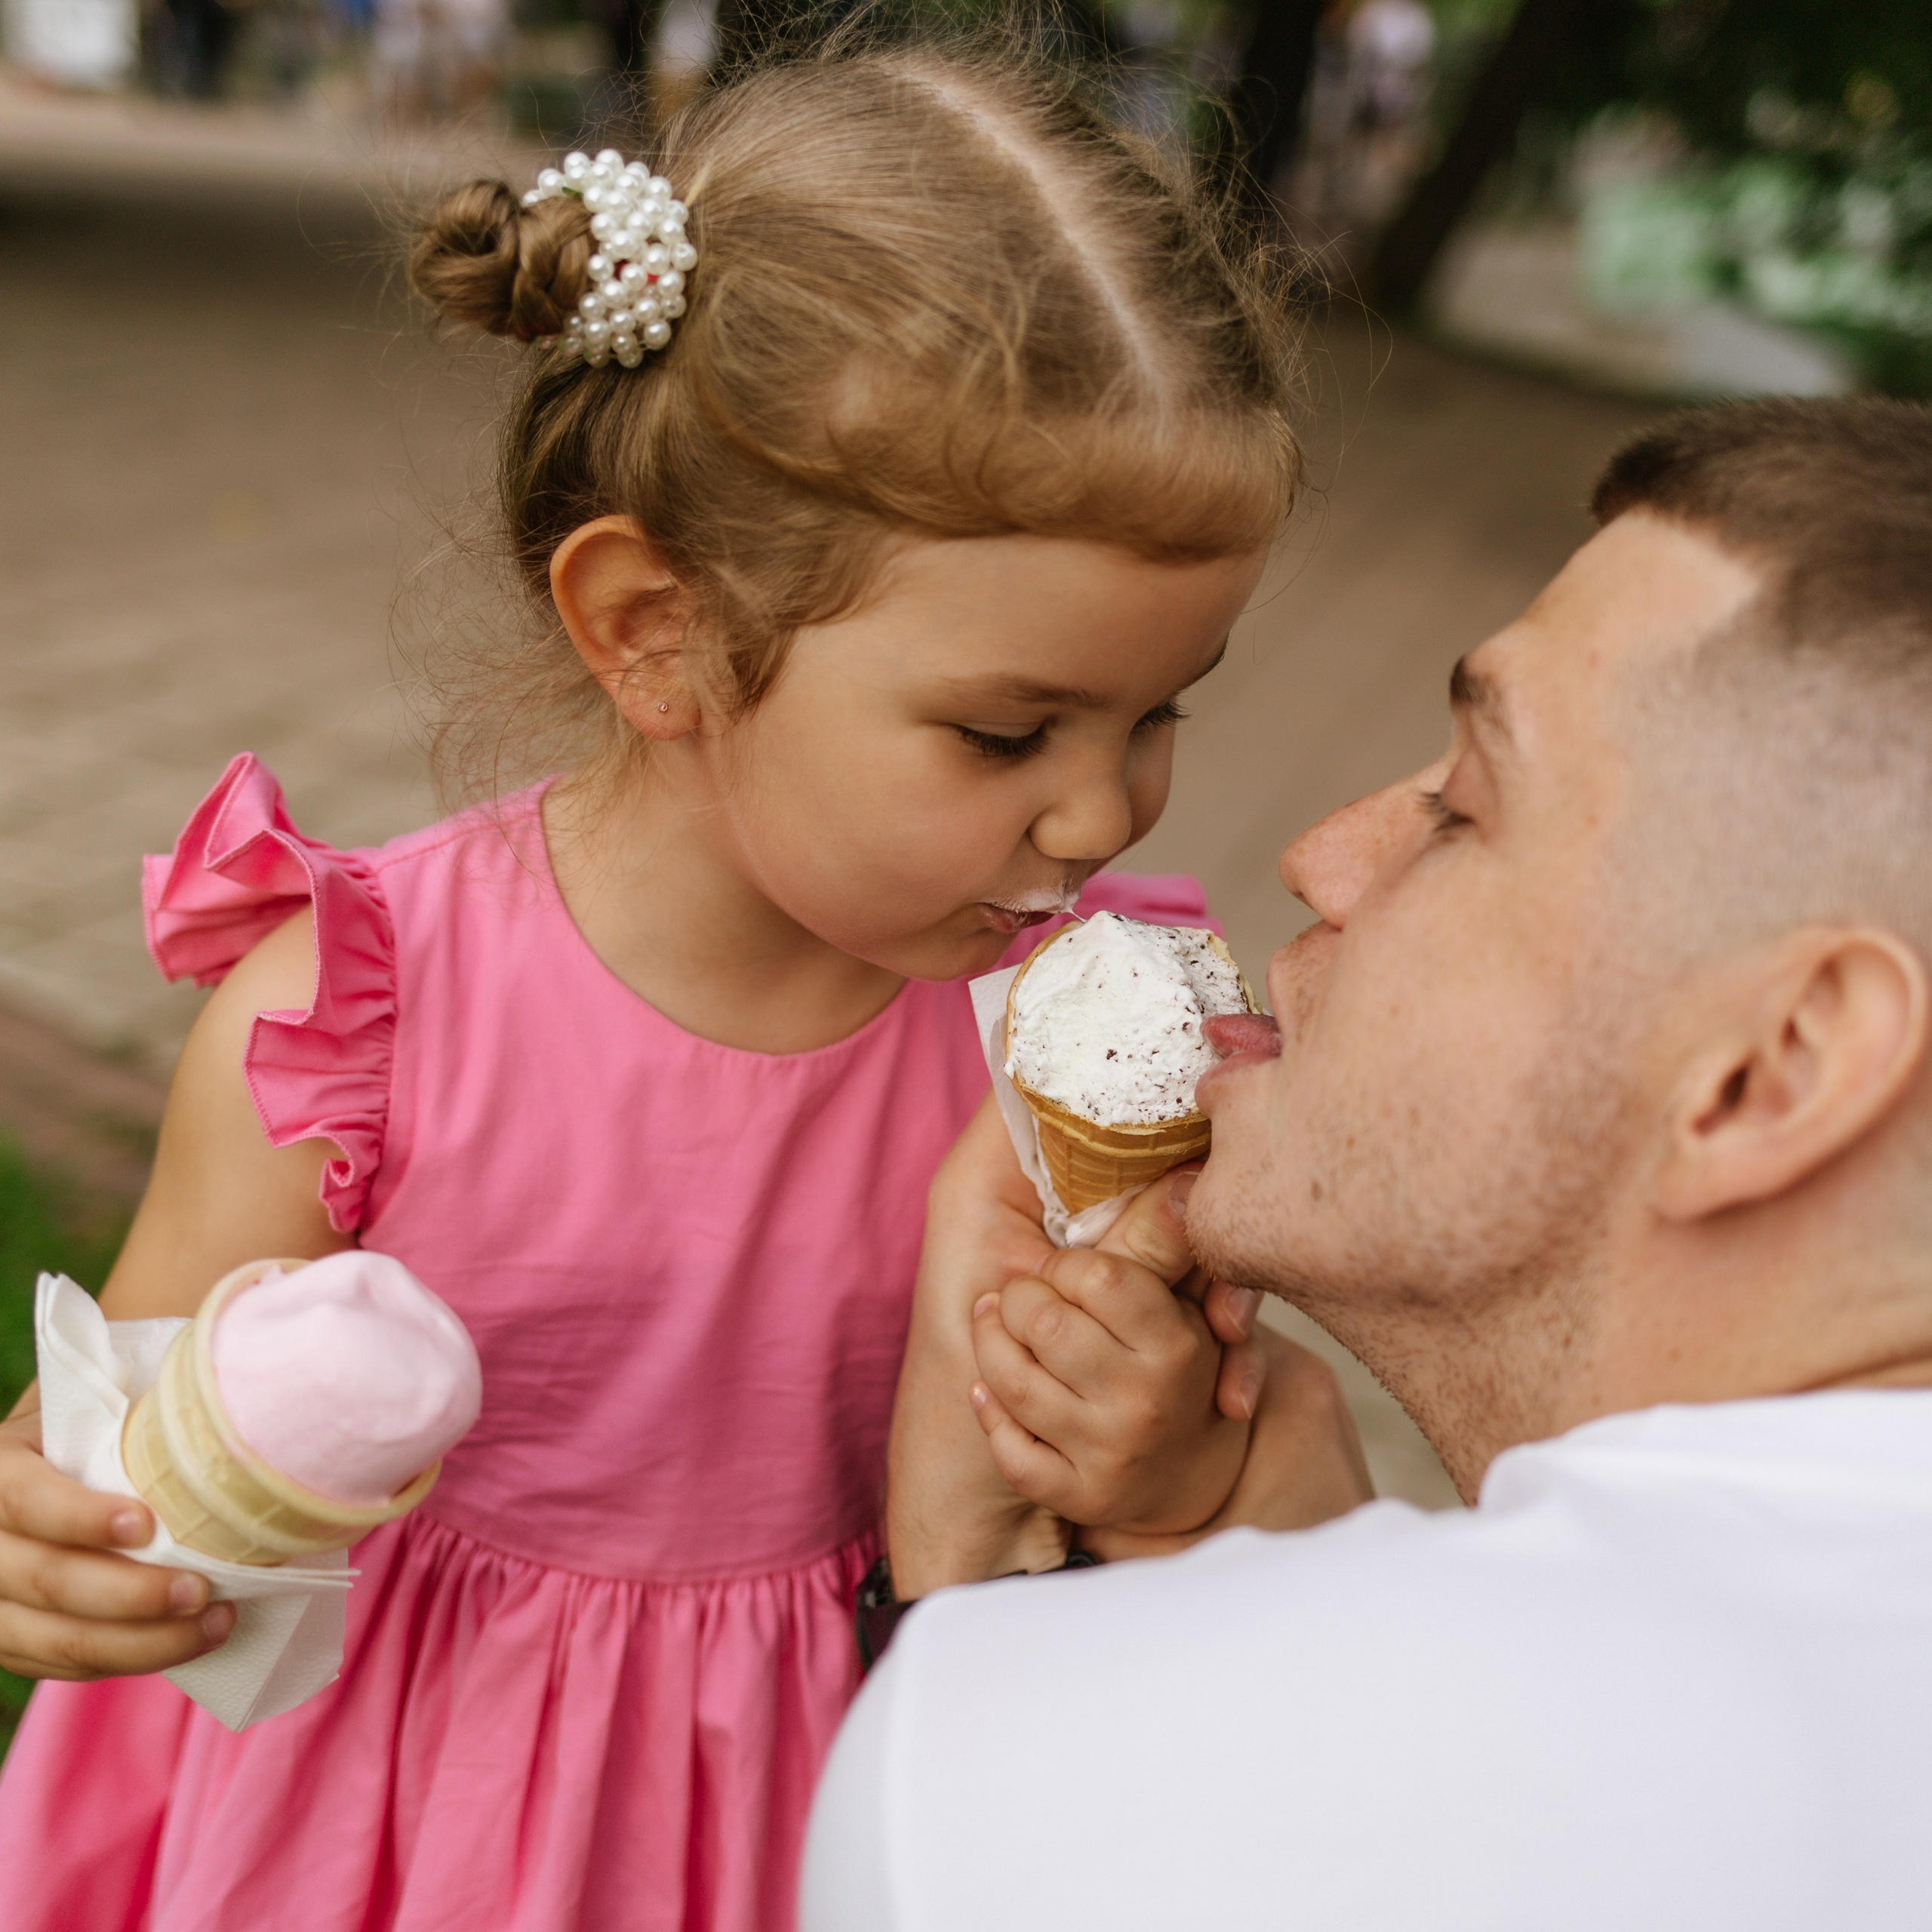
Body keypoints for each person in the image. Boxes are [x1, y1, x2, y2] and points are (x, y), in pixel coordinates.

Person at [0, 42, 1304, 1932]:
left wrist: (1153, 1435)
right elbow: (138, 1422)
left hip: (817, 1800)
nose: (1101, 809)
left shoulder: (1068, 1051)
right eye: (1008, 728)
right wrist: (65, 1527)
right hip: (371, 1820)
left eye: (1157, 710)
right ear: (653, 631)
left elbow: (1139, 1498)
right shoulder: (354, 1014)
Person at [803, 397, 1932, 1929]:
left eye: (1461, 804)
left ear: (1778, 1060)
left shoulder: (1031, 1775)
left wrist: (986, 1604)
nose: (1319, 852)